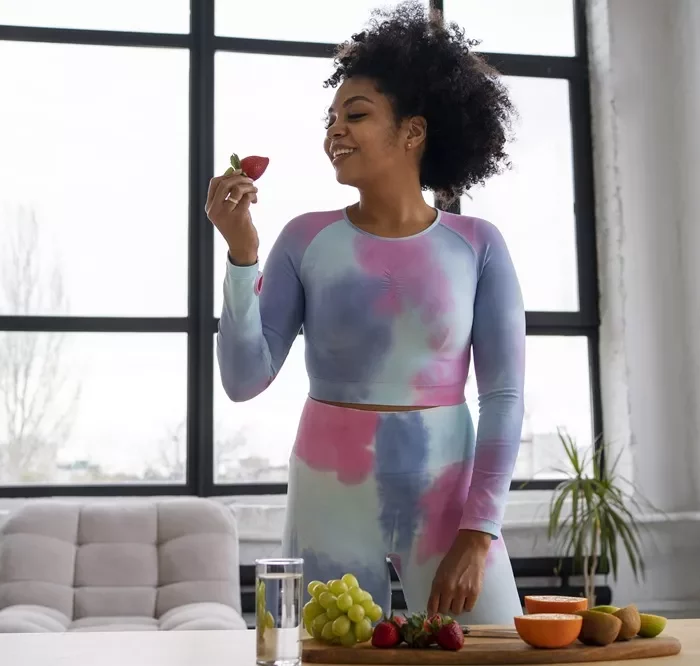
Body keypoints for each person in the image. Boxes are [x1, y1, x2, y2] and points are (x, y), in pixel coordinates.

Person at [207, 2, 525, 624]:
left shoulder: (478, 244)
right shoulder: (303, 239)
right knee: (312, 657)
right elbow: (244, 381)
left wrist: (480, 530)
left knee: (500, 656)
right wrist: (243, 256)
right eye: (330, 119)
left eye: (355, 115)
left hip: (448, 500)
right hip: (328, 495)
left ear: (413, 132)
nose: (335, 132)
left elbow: (506, 397)